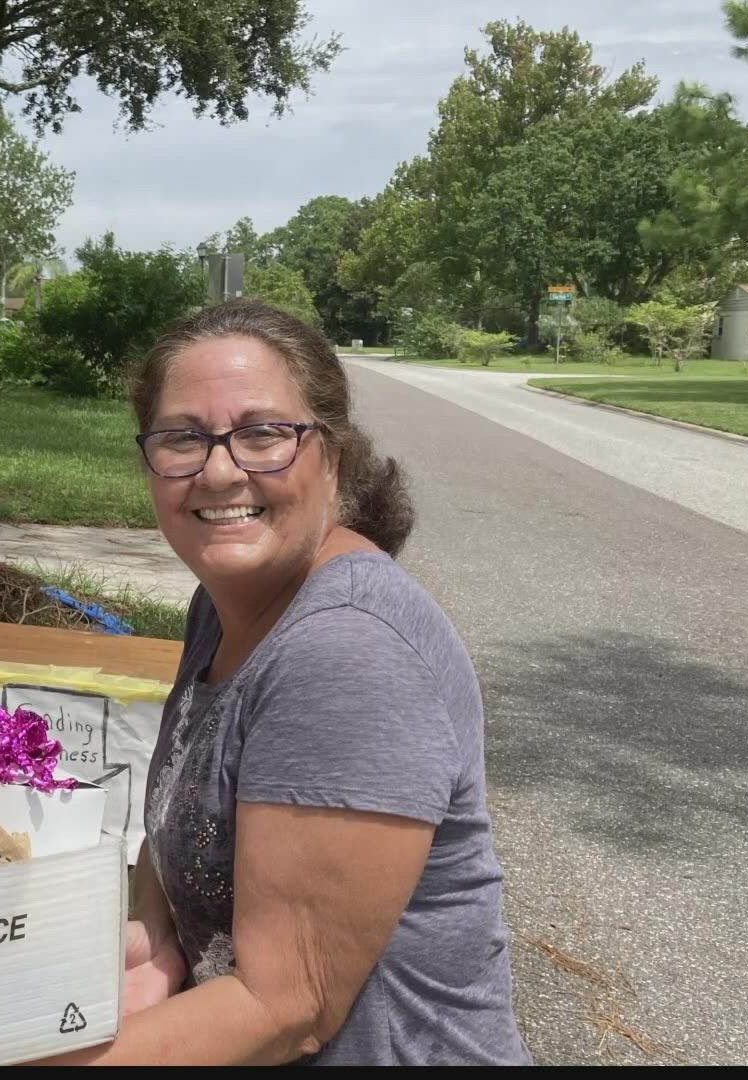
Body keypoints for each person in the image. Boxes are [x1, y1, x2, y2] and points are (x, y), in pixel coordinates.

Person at [59, 300, 531, 1065]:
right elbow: (183, 811)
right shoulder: (223, 605)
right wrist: (157, 942)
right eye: (183, 437)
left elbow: (287, 1009)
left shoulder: (345, 653)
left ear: (332, 456)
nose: (219, 469)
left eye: (263, 433)